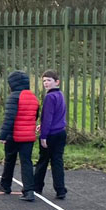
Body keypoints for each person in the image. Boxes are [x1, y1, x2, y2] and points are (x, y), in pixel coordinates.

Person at [0, 70, 38, 202]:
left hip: (14, 135)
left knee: (10, 159)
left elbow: (9, 118)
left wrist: (3, 135)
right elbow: (36, 115)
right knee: (26, 162)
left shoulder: (14, 97)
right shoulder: (33, 97)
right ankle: (29, 191)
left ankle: (5, 184)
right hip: (29, 135)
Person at [34, 69, 68, 200]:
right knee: (57, 161)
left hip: (51, 134)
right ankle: (60, 190)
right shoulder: (60, 95)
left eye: (49, 80)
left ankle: (37, 186)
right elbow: (57, 115)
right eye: (44, 81)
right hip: (61, 132)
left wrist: (43, 136)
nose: (46, 83)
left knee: (43, 161)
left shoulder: (49, 97)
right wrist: (42, 126)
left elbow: (48, 117)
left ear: (57, 82)